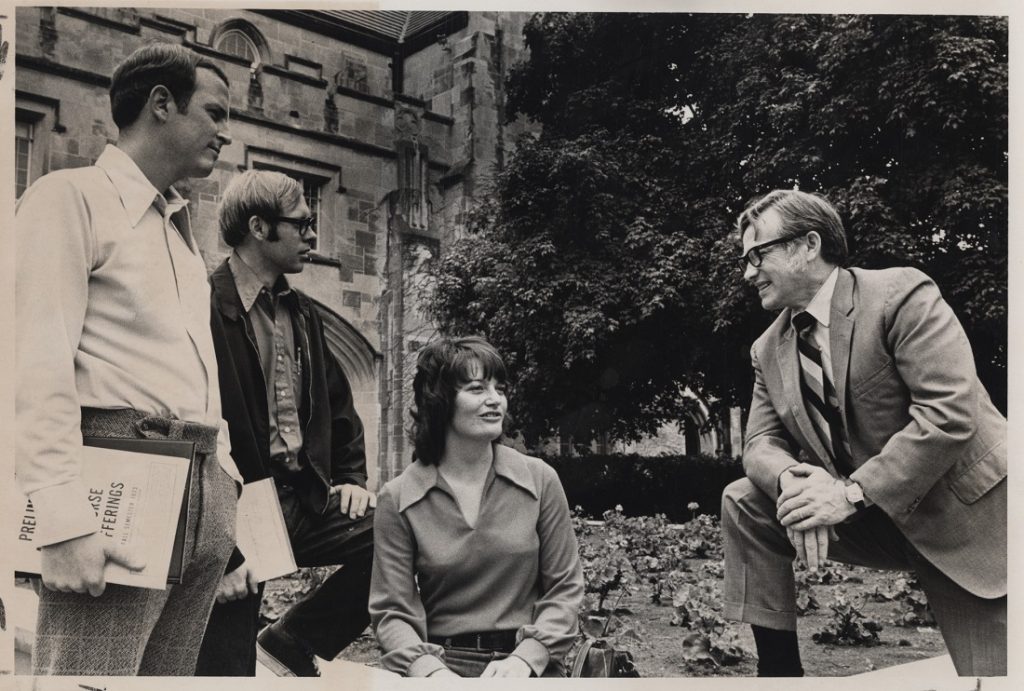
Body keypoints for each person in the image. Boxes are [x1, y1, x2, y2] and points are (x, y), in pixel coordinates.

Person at [15, 43, 241, 675]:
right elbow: (33, 362)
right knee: (89, 681)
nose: (226, 134)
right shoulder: (69, 199)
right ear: (161, 104)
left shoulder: (179, 233)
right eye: (216, 112)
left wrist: (221, 489)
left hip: (199, 484)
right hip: (116, 478)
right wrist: (59, 519)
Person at [721, 189, 1006, 677]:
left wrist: (849, 494)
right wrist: (792, 483)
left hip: (974, 519)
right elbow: (759, 444)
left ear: (807, 245)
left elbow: (948, 413)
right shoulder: (767, 348)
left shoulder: (900, 295)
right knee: (747, 499)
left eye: (757, 254)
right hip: (877, 518)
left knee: (995, 678)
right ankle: (780, 675)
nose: (748, 272)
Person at [195, 170, 375, 677]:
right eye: (302, 223)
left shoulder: (304, 313)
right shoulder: (204, 306)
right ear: (259, 226)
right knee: (225, 670)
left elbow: (338, 406)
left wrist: (351, 479)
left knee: (403, 536)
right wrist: (222, 546)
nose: (314, 236)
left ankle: (292, 639)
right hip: (234, 511)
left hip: (304, 502)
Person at [369, 336, 585, 678]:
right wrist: (429, 672)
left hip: (528, 665)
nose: (494, 400)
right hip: (441, 667)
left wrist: (525, 659)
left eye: (500, 388)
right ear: (440, 401)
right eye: (476, 388)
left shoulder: (540, 480)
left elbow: (565, 588)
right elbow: (392, 611)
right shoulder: (398, 498)